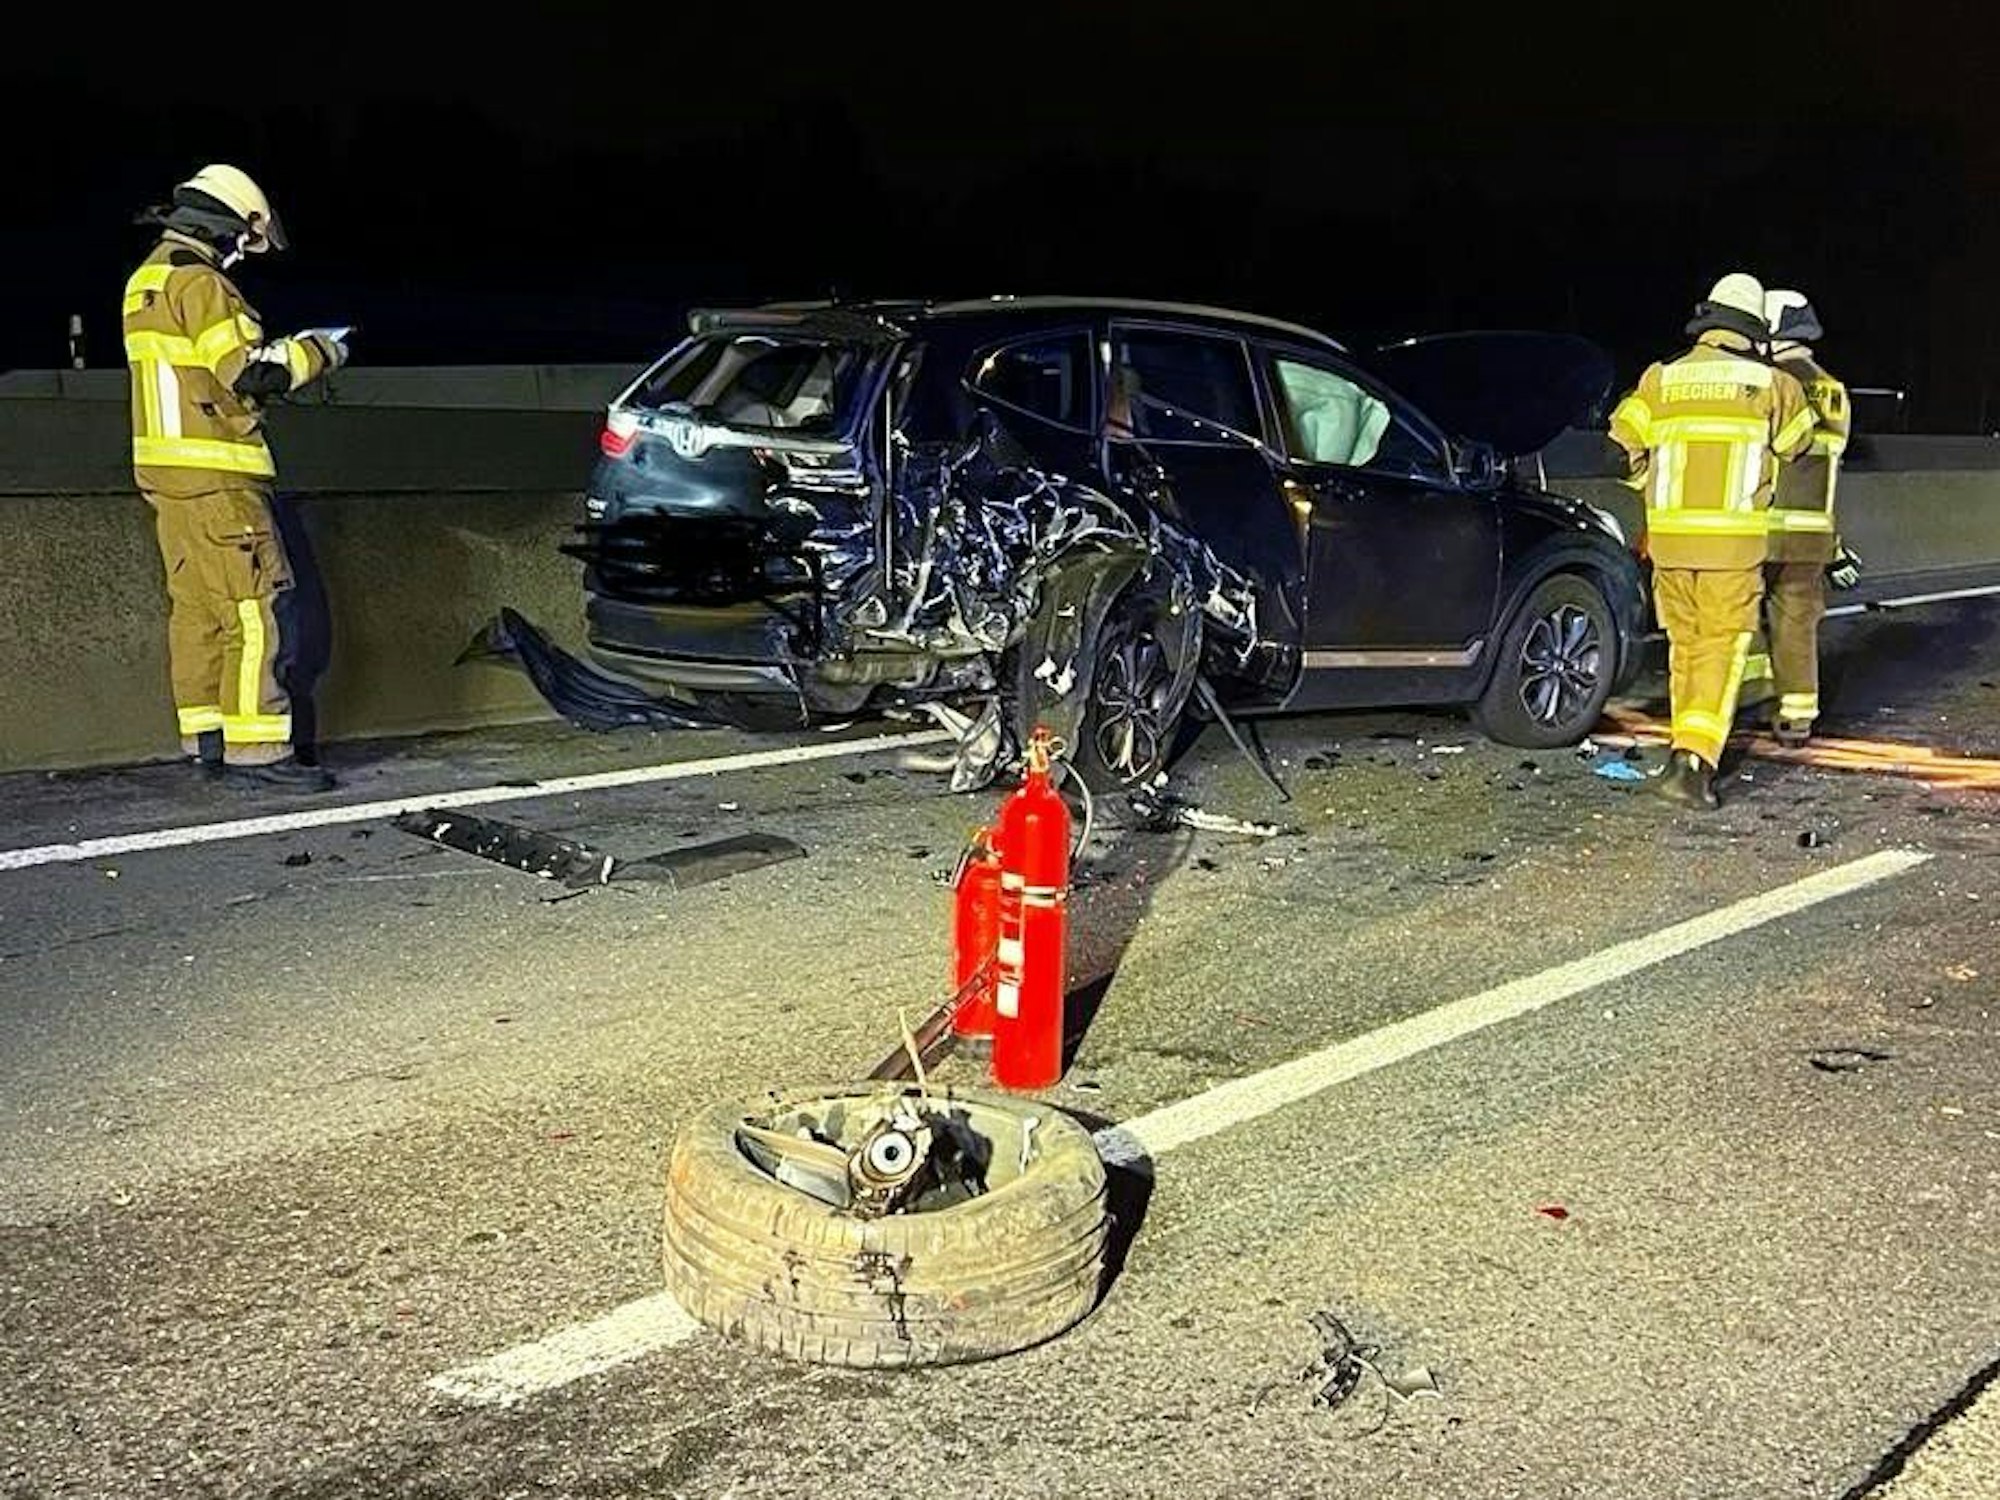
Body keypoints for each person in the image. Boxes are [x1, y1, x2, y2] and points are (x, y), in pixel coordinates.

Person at [123, 165, 350, 789]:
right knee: (255, 612)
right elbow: (248, 373)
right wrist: (319, 351)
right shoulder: (202, 284)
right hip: (218, 476)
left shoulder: (148, 279)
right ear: (227, 226)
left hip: (169, 477)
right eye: (245, 240)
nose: (243, 254)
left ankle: (208, 738)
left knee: (199, 612)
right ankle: (260, 751)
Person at [1609, 272, 1814, 808]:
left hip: (1671, 547)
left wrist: (1652, 487)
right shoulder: (1774, 386)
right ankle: (1693, 766)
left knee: (1686, 650)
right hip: (1731, 550)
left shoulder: (1659, 378)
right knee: (1719, 653)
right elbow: (1799, 445)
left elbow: (1620, 446)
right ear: (1755, 328)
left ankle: (1683, 749)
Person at [1759, 287, 1857, 746]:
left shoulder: (1767, 384)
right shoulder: (1834, 390)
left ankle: (1747, 701)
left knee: (1735, 619)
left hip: (1760, 526)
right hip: (1812, 533)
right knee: (1797, 624)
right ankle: (1796, 718)